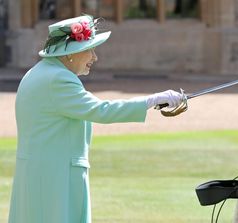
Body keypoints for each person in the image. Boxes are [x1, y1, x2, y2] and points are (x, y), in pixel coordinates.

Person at [8, 15, 183, 223]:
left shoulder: (38, 72)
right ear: (70, 53)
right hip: (56, 179)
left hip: (41, 175)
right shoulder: (59, 78)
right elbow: (101, 110)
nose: (94, 57)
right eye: (89, 49)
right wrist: (153, 100)